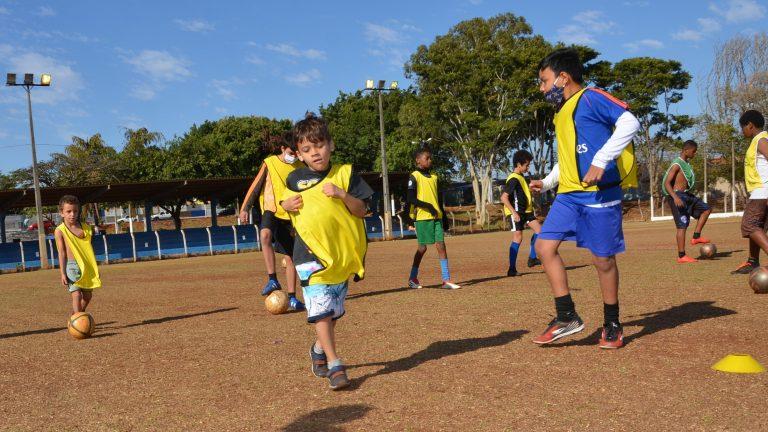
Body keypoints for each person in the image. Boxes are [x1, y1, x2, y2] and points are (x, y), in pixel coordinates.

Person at [529, 48, 640, 349]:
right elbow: (568, 155)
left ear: (563, 77)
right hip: (568, 195)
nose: (542, 88)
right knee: (543, 246)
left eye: (544, 80)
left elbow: (630, 122)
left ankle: (612, 323)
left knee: (602, 260)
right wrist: (549, 181)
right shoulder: (562, 111)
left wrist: (602, 160)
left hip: (599, 194)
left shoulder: (591, 97)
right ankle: (567, 317)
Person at [280, 113, 373, 390]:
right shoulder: (294, 180)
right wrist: (285, 205)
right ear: (299, 154)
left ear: (330, 145)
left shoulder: (345, 174)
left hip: (340, 256)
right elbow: (281, 206)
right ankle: (335, 364)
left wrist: (343, 195)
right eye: (307, 150)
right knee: (321, 310)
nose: (315, 153)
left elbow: (362, 210)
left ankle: (320, 349)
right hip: (308, 254)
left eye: (319, 145)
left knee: (332, 312)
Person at [240, 132, 305, 311]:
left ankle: (292, 298)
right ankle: (272, 279)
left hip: (290, 214)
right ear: (283, 149)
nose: (294, 156)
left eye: (297, 152)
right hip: (271, 209)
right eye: (292, 152)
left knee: (290, 257)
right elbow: (256, 185)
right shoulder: (270, 162)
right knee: (265, 235)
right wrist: (245, 208)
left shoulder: (300, 166)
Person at [406, 147, 460, 290]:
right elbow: (410, 198)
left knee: (441, 245)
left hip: (437, 217)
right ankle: (412, 278)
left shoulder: (435, 178)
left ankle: (446, 280)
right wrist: (428, 207)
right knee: (422, 248)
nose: (430, 160)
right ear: (418, 160)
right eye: (427, 158)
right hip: (423, 217)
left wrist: (445, 217)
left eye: (430, 158)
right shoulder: (414, 176)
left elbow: (439, 200)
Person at [662, 140, 712, 263]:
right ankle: (682, 256)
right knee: (682, 226)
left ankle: (696, 237)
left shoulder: (686, 164)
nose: (694, 154)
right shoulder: (677, 164)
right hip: (677, 196)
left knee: (706, 209)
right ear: (686, 150)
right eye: (693, 151)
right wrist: (675, 197)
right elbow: (666, 183)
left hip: (686, 195)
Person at [732, 110, 768, 274]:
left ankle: (753, 261)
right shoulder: (760, 140)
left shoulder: (760, 140)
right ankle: (752, 261)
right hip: (761, 192)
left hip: (763, 192)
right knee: (758, 227)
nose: (742, 131)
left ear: (750, 125)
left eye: (742, 128)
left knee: (749, 225)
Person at [54, 195, 102, 314]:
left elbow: (89, 250)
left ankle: (77, 314)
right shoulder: (60, 230)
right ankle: (79, 321)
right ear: (62, 213)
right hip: (71, 266)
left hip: (86, 266)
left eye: (75, 211)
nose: (72, 214)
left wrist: (94, 268)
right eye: (68, 211)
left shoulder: (86, 228)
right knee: (76, 295)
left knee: (87, 297)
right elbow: (62, 253)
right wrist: (63, 273)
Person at [502, 149, 542, 277]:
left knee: (540, 232)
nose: (527, 167)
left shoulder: (521, 177)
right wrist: (514, 213)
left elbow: (521, 194)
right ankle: (511, 269)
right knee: (518, 238)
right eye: (526, 165)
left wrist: (533, 192)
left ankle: (532, 258)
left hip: (527, 212)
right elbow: (504, 197)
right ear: (518, 164)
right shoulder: (513, 178)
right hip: (517, 212)